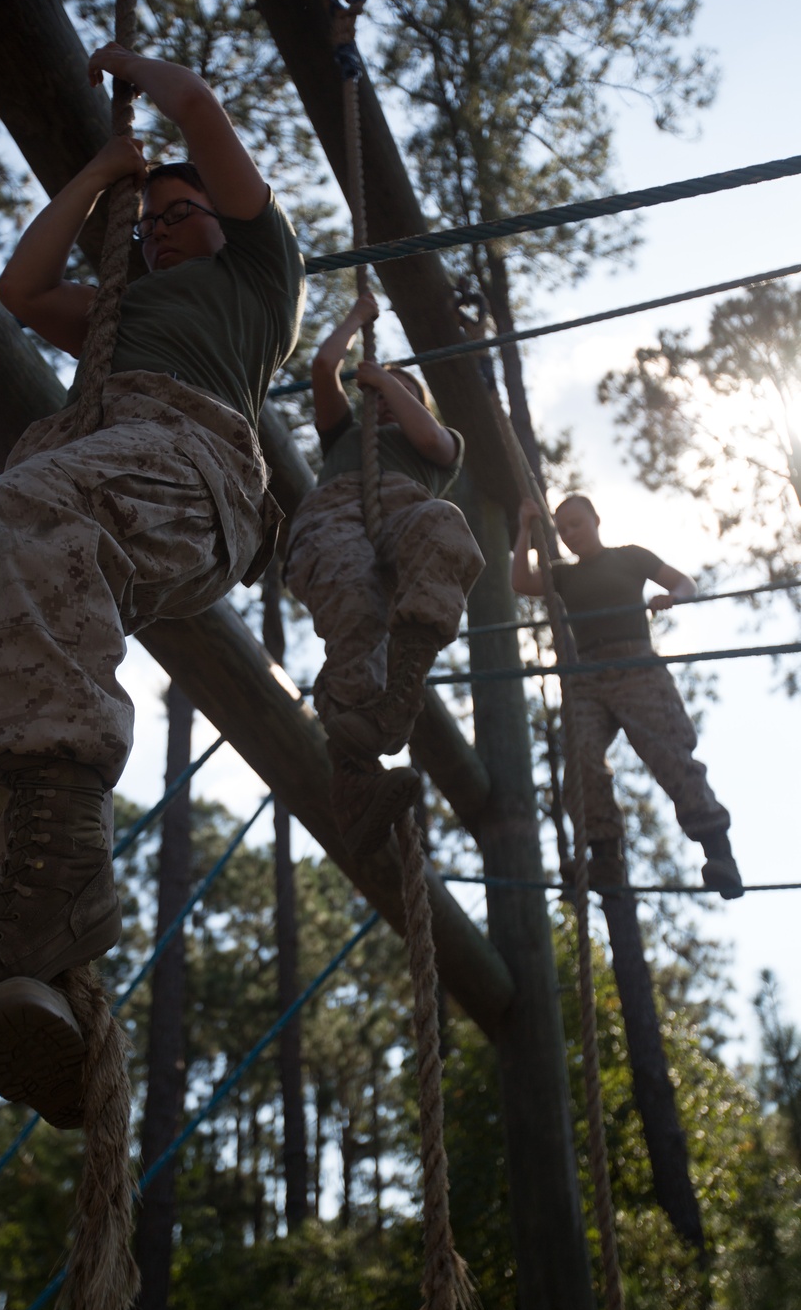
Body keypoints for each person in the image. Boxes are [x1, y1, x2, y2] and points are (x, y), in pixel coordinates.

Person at [0, 45, 305, 1123]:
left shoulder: (258, 281)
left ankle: (67, 858)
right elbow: (22, 290)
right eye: (150, 221)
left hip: (193, 469)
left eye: (182, 212)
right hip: (116, 477)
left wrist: (129, 76)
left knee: (22, 509)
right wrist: (95, 186)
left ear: (228, 218)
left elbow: (202, 107)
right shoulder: (115, 319)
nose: (163, 229)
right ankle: (26, 940)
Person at [285, 292, 484, 856]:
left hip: (404, 516)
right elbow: (325, 368)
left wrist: (387, 379)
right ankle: (355, 770)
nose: (386, 403)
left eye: (403, 396)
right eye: (376, 398)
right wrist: (356, 321)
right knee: (356, 606)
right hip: (334, 517)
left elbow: (430, 437)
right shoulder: (345, 436)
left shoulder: (439, 449)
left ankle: (400, 698)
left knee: (446, 525)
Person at [511, 493, 743, 898]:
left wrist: (674, 599)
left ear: (597, 520)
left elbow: (683, 582)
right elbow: (520, 581)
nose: (569, 535)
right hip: (587, 676)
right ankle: (605, 859)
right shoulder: (562, 575)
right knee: (581, 759)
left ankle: (718, 853)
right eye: (562, 530)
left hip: (636, 668)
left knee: (669, 753)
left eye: (576, 524)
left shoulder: (630, 557)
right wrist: (525, 528)